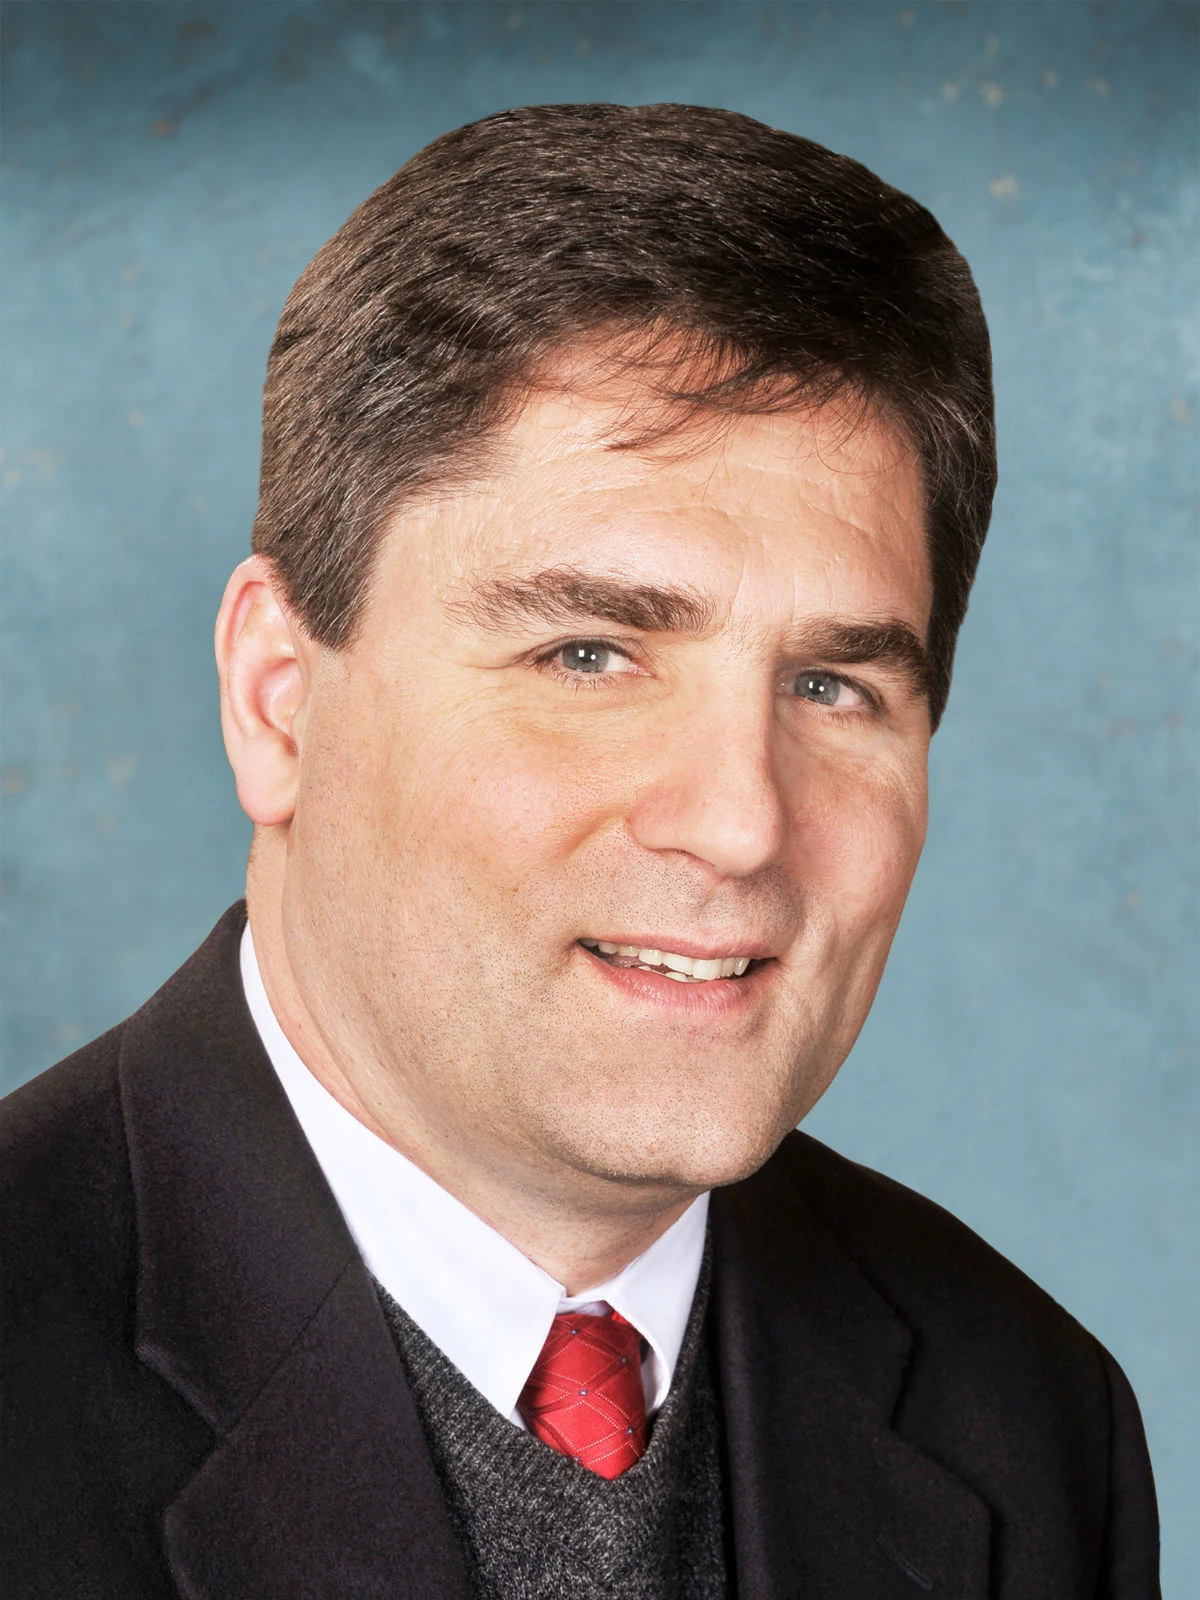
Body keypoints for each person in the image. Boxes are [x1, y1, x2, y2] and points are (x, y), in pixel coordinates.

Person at [1, 103, 1158, 1599]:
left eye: (831, 686)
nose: (739, 822)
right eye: (590, 656)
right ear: (277, 697)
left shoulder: (1027, 1423)